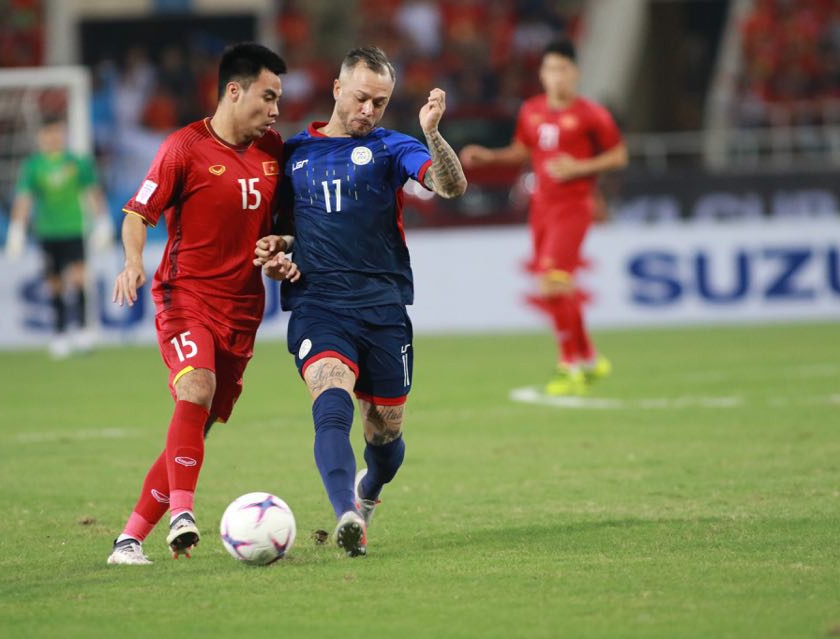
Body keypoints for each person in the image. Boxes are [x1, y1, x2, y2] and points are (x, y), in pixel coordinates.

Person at [255, 46, 467, 557]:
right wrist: (274, 250)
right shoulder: (292, 155)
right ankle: (345, 513)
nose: (369, 110)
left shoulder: (394, 147)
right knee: (331, 407)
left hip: (384, 309)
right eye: (361, 98)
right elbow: (281, 230)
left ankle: (368, 491)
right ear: (336, 89)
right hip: (319, 306)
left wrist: (432, 134)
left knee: (385, 442)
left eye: (380, 101)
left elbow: (450, 186)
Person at [107, 43, 299, 566]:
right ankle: (183, 515)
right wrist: (132, 261)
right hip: (185, 295)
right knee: (195, 385)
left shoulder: (274, 153)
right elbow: (136, 213)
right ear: (234, 91)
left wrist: (278, 245)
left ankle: (128, 540)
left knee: (196, 420)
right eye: (268, 96)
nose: (276, 109)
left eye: (279, 99)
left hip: (242, 310)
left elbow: (285, 226)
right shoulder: (184, 148)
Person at [459, 39, 628, 396]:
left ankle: (570, 365)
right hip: (541, 209)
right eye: (550, 69)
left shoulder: (591, 114)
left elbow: (618, 156)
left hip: (574, 207)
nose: (556, 77)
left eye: (562, 70)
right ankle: (590, 358)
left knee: (552, 282)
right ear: (542, 74)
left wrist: (580, 166)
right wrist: (489, 156)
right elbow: (522, 150)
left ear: (575, 74)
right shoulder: (532, 110)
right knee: (558, 286)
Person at [6, 115, 114, 358]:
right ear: (40, 137)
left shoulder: (77, 162)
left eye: (56, 133)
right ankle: (59, 334)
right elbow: (24, 198)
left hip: (74, 228)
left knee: (78, 278)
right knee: (54, 284)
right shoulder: (33, 166)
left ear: (62, 134)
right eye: (48, 134)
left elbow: (93, 192)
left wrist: (102, 222)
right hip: (47, 231)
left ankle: (84, 331)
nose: (53, 138)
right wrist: (16, 229)